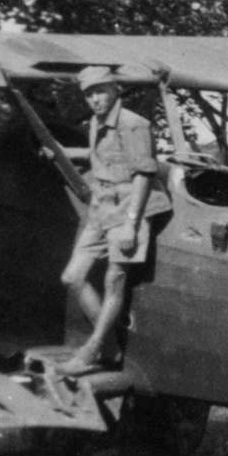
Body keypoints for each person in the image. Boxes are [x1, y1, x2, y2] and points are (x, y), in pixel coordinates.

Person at [58, 67, 171, 375]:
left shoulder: (134, 124)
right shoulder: (97, 122)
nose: (94, 99)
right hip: (102, 206)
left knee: (113, 280)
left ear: (115, 89)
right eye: (89, 93)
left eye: (100, 91)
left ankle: (93, 350)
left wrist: (132, 224)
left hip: (130, 207)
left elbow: (144, 175)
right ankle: (108, 344)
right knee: (72, 276)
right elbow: (102, 155)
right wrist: (61, 152)